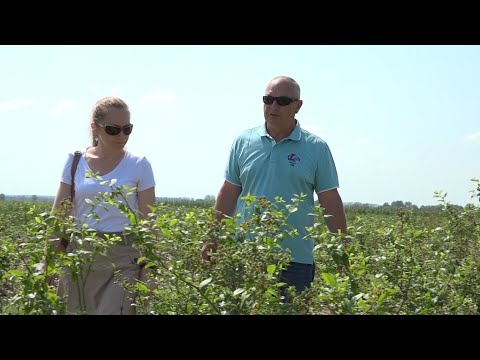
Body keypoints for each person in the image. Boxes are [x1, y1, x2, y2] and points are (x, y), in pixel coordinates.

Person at [201, 76, 347, 296]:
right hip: (245, 256)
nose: (273, 106)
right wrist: (212, 237)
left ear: (298, 106)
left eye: (282, 101)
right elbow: (229, 192)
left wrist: (341, 247)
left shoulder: (317, 148)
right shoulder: (243, 142)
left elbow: (330, 201)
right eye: (268, 100)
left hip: (295, 261)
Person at [50, 96, 156, 315]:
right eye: (113, 129)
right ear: (95, 128)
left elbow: (149, 226)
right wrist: (47, 264)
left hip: (123, 260)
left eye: (127, 129)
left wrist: (149, 277)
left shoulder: (139, 164)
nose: (122, 135)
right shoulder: (75, 160)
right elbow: (58, 216)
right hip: (79, 258)